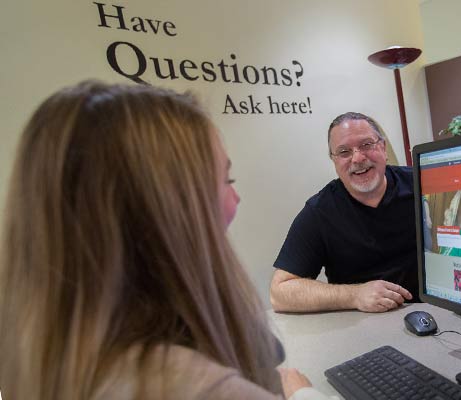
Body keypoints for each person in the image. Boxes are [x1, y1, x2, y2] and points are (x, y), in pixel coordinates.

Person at [0, 81, 329, 400]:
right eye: (225, 179)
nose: (236, 199)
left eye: (371, 144)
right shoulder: (194, 387)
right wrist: (303, 393)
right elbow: (281, 291)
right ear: (167, 208)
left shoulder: (36, 350)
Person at [270, 112, 416, 313]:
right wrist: (354, 295)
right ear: (334, 161)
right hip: (362, 323)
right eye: (344, 152)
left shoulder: (422, 184)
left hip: (436, 313)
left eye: (366, 145)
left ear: (383, 148)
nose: (357, 158)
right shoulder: (320, 211)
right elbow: (280, 292)